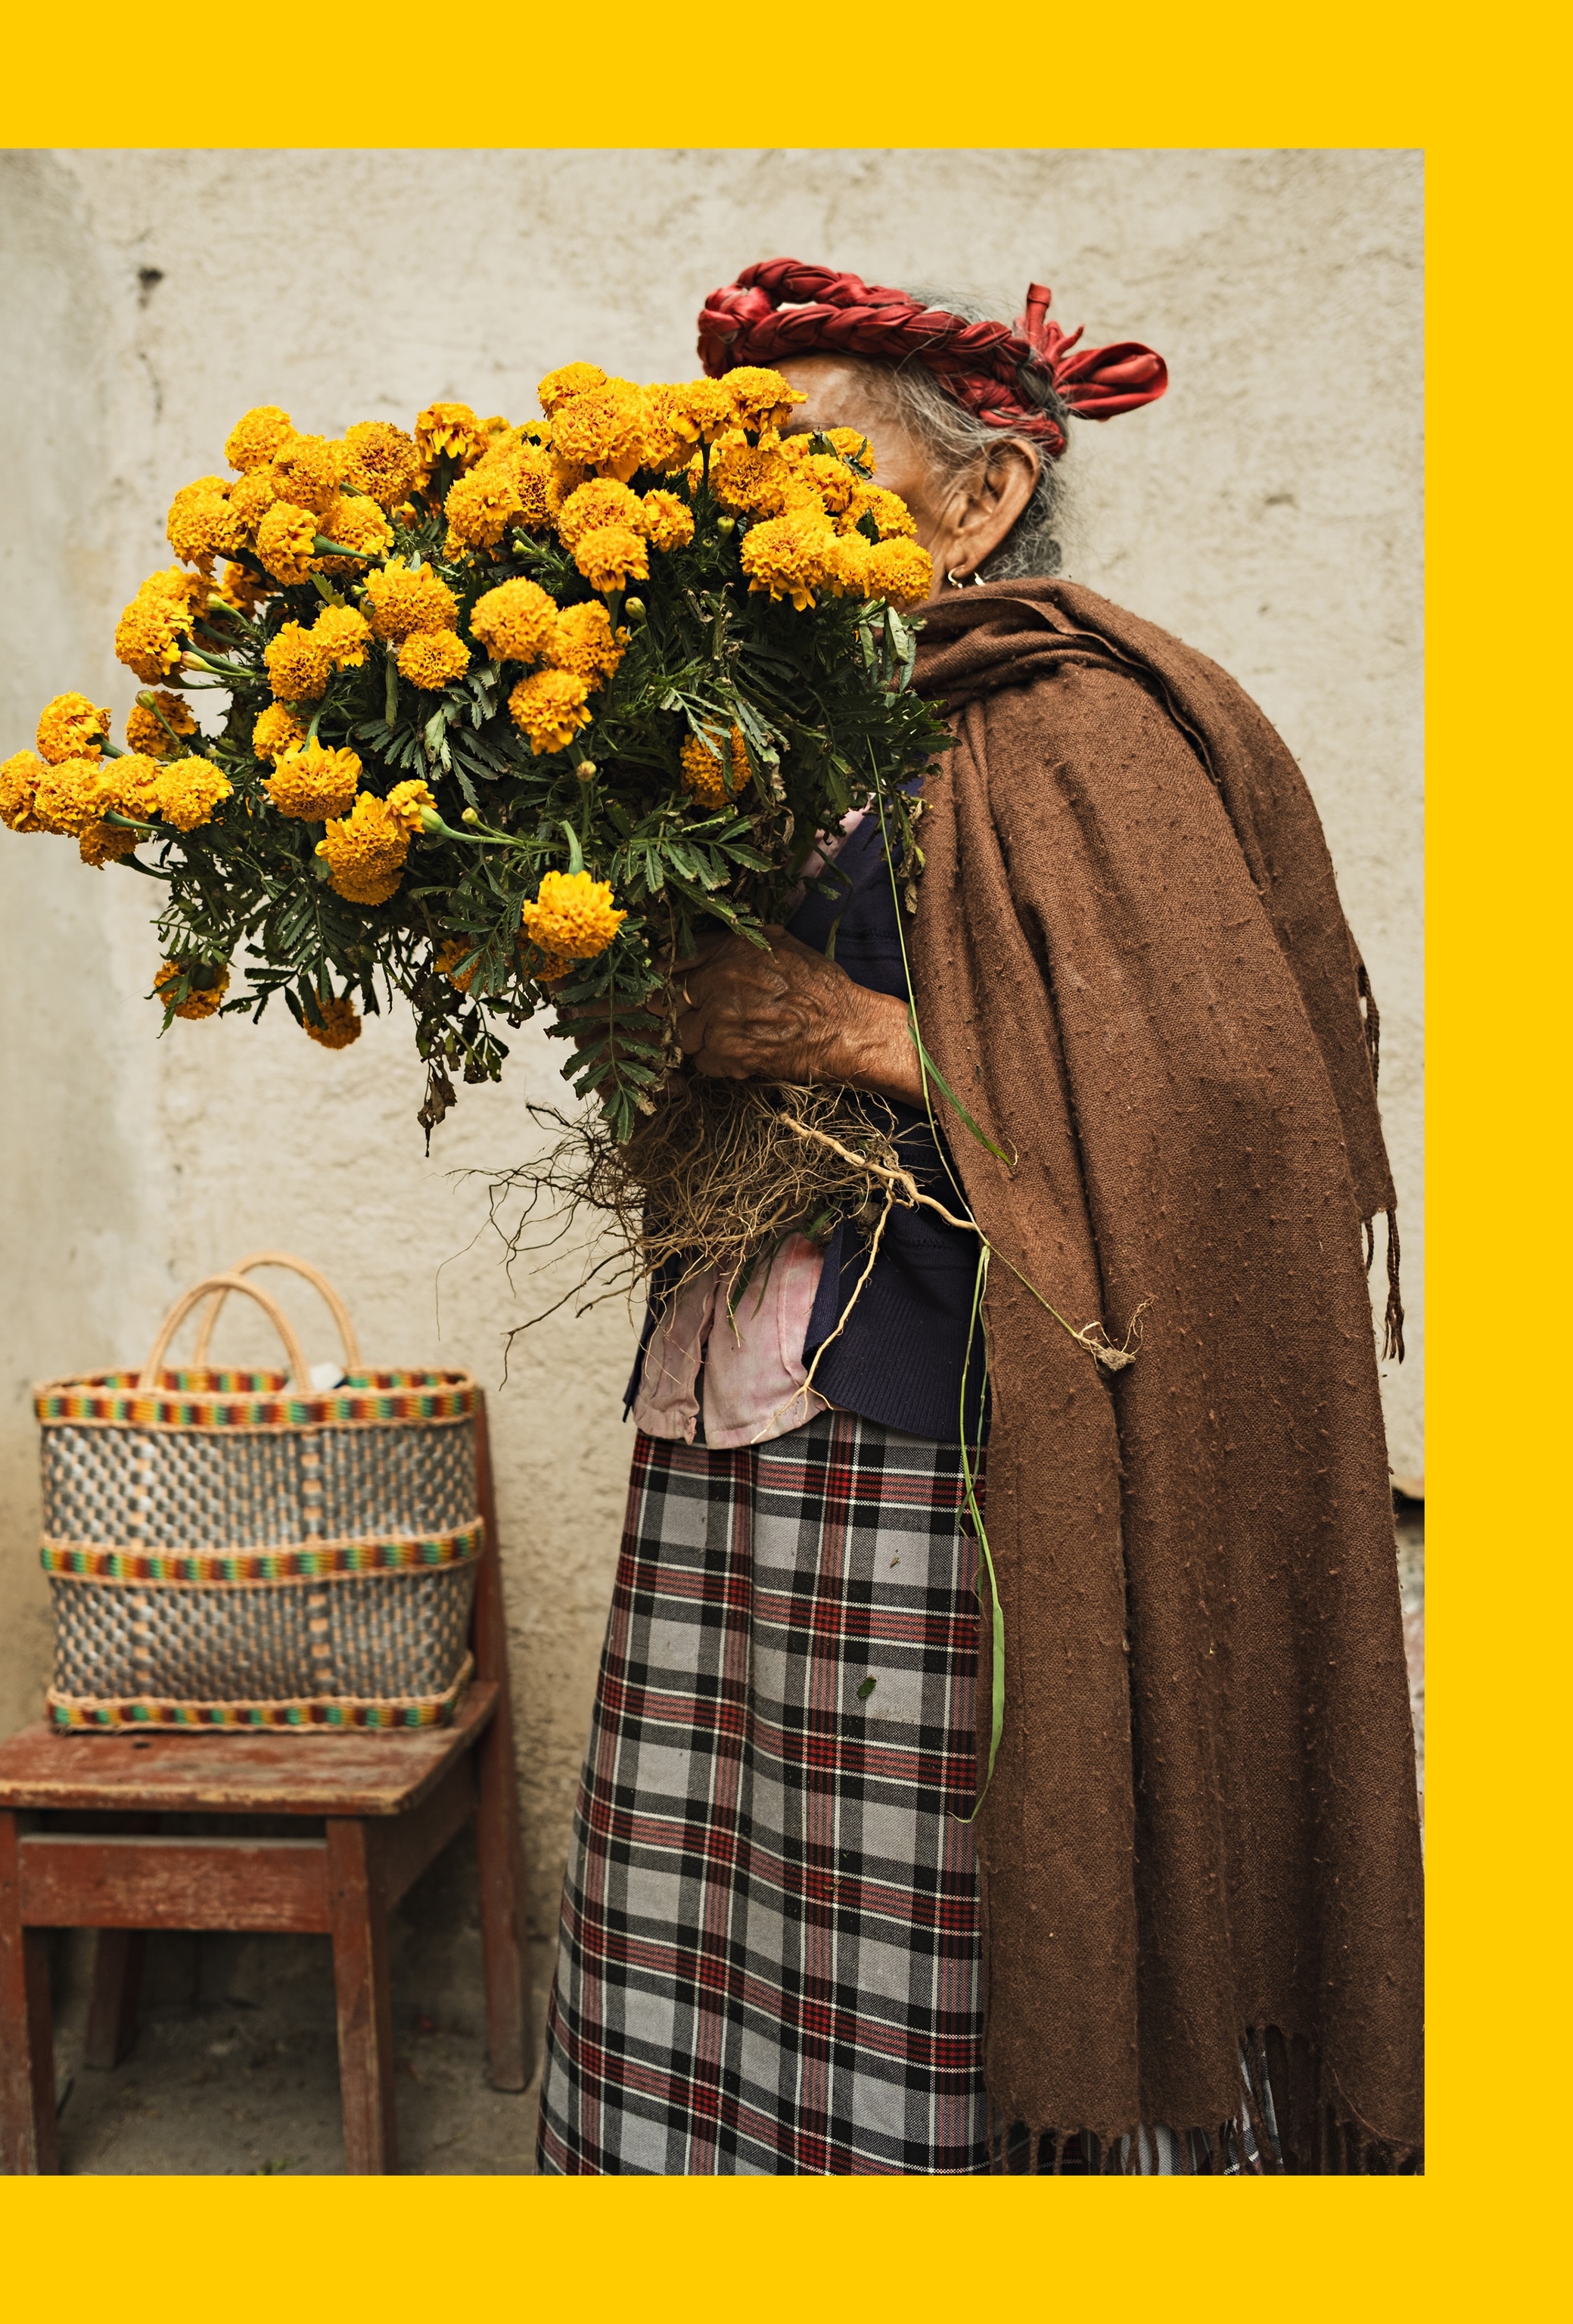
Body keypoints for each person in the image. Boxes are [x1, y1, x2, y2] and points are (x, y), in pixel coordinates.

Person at [536, 260, 1422, 2175]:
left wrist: (860, 1034)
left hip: (950, 1443)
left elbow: (1214, 1113)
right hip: (737, 1412)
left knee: (936, 1900)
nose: (741, 511)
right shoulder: (750, 735)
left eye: (799, 460)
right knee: (732, 1875)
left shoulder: (1076, 730)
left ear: (981, 496)